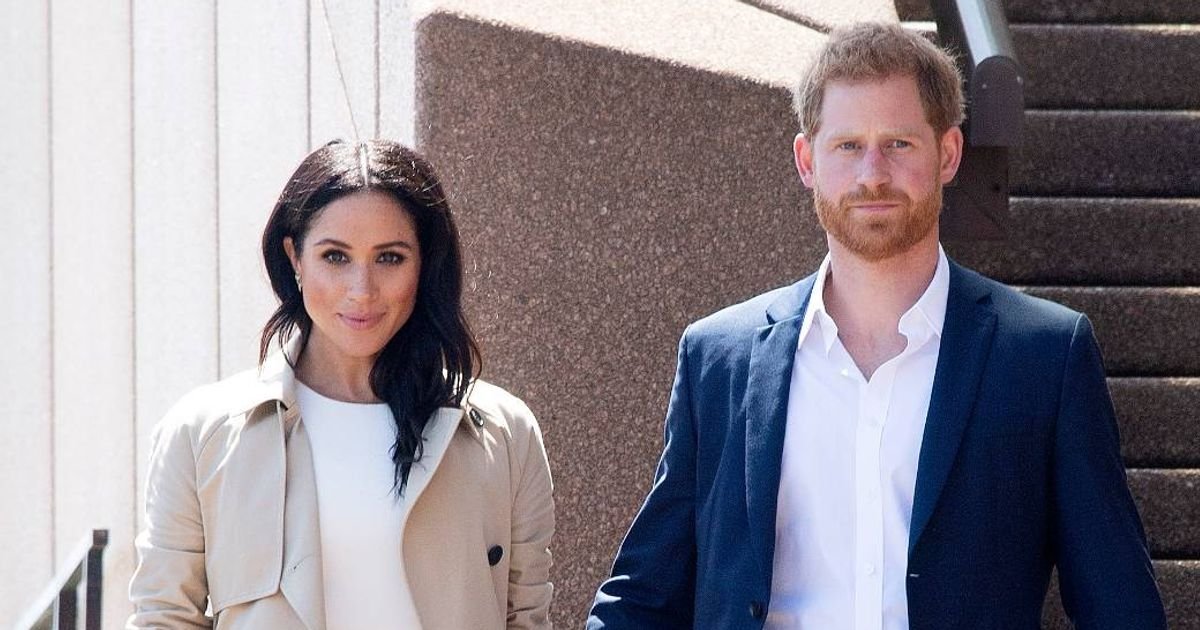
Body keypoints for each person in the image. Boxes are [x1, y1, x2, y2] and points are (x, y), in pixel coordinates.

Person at [587, 22, 1165, 630]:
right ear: (806, 160)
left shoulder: (1044, 357)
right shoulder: (719, 358)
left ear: (948, 154)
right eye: (847, 146)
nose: (872, 174)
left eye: (898, 144)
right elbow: (644, 598)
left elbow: (1119, 604)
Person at [128, 139, 554, 629]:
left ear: (424, 263)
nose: (362, 290)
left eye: (389, 258)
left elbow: (526, 619)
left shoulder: (505, 433)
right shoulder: (201, 433)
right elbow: (164, 618)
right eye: (335, 256)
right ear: (295, 257)